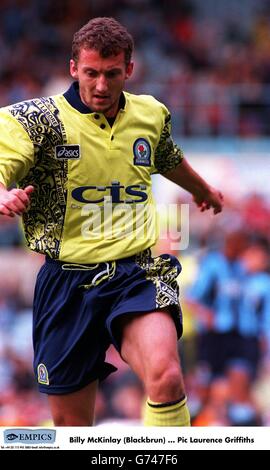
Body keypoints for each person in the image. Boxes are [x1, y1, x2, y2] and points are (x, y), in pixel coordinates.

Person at [0, 17, 223, 426]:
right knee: (72, 428)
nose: (101, 86)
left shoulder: (150, 113)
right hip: (65, 283)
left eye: (112, 74)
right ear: (73, 68)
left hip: (135, 271)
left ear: (129, 70)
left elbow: (167, 158)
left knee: (168, 378)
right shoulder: (33, 121)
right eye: (91, 73)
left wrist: (202, 190)